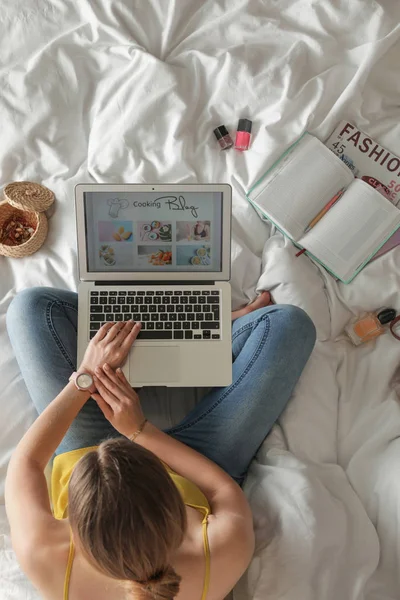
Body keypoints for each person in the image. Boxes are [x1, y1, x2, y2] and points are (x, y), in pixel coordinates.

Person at [5, 287, 316, 600]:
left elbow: (27, 462)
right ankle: (201, 330)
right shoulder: (221, 549)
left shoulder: (44, 555)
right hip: (198, 465)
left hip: (93, 446)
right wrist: (139, 430)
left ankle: (158, 341)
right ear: (176, 512)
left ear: (77, 535)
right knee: (290, 325)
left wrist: (86, 377)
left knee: (31, 308)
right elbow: (220, 489)